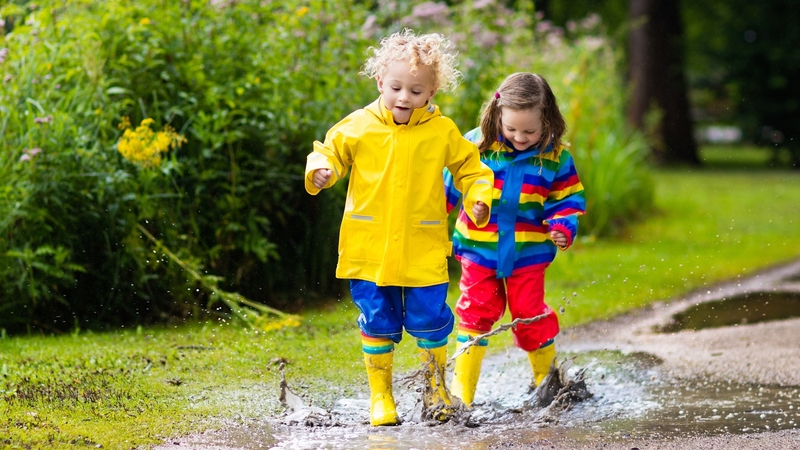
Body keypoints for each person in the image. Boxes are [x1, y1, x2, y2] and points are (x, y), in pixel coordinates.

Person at [304, 29, 494, 425]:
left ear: (432, 92)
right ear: (380, 82)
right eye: (396, 87)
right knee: (377, 320)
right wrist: (321, 170)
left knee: (430, 320)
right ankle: (381, 398)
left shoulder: (442, 132)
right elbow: (330, 151)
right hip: (369, 248)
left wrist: (479, 198)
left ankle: (435, 390)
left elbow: (472, 169)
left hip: (422, 247)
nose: (404, 97)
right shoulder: (358, 125)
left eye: (416, 90)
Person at [444, 72, 586, 406]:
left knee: (529, 313)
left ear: (547, 121)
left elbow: (567, 201)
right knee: (475, 313)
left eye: (530, 131)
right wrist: (433, 220)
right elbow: (446, 189)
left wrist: (563, 227)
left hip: (528, 254)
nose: (520, 137)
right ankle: (462, 392)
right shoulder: (476, 146)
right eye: (511, 129)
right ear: (497, 115)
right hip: (479, 251)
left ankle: (547, 385)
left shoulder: (555, 159)